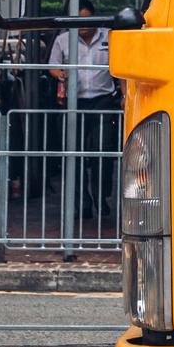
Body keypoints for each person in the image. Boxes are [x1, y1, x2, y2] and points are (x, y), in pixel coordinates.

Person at [47, 23, 123, 227]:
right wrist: (60, 74)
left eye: (88, 21)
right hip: (74, 101)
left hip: (102, 100)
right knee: (74, 153)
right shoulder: (63, 39)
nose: (83, 27)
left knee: (104, 150)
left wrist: (124, 94)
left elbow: (122, 67)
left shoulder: (110, 37)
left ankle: (101, 195)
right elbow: (52, 65)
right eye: (79, 22)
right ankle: (83, 201)